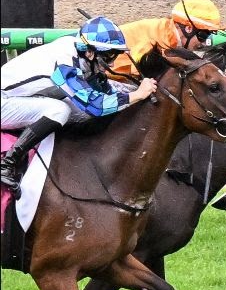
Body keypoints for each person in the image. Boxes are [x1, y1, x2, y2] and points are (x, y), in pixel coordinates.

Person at [1, 16, 158, 194]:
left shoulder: (81, 53)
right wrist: (136, 95)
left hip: (20, 99)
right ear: (90, 52)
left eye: (115, 55)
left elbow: (107, 92)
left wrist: (136, 89)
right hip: (3, 102)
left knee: (80, 112)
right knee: (59, 110)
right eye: (108, 56)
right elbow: (95, 105)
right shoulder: (64, 60)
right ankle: (8, 163)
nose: (113, 63)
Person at [107, 0, 224, 80]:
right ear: (188, 28)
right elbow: (141, 74)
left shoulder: (168, 33)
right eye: (203, 36)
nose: (204, 43)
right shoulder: (154, 40)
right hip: (109, 77)